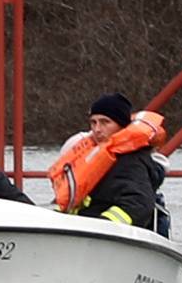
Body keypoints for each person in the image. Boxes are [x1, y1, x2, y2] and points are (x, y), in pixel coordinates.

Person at [61, 92, 170, 232]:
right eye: (93, 122)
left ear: (122, 126)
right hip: (82, 232)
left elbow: (137, 204)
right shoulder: (92, 158)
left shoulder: (131, 162)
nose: (97, 129)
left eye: (105, 122)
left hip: (107, 237)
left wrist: (104, 225)